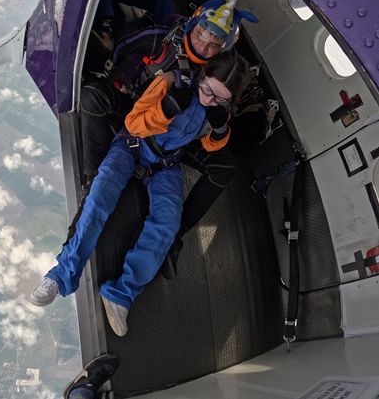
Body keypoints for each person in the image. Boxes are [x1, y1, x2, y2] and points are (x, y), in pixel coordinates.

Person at [29, 50, 249, 337]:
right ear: (203, 74)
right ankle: (62, 275)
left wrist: (220, 128)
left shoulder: (219, 108)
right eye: (207, 89)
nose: (209, 100)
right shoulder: (170, 83)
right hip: (133, 145)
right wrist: (167, 108)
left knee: (168, 225)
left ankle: (121, 294)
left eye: (219, 98)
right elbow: (133, 123)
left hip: (166, 164)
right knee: (99, 199)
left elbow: (210, 145)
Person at [80, 0, 258, 277]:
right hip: (136, 109)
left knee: (224, 168)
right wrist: (120, 76)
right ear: (193, 25)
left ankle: (174, 235)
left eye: (214, 45)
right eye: (200, 36)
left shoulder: (221, 72)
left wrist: (219, 126)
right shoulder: (159, 40)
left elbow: (219, 121)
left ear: (224, 48)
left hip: (179, 135)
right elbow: (123, 48)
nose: (203, 47)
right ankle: (91, 177)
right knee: (93, 97)